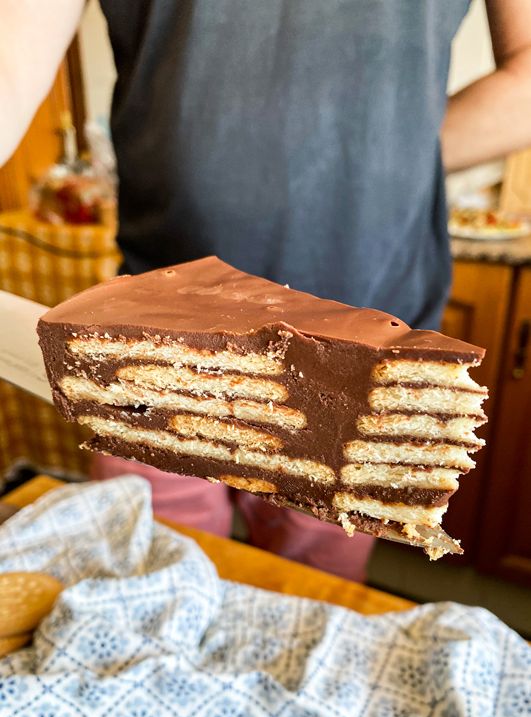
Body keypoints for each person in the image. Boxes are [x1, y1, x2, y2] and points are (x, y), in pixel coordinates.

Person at [2, 0, 531, 580]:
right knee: (154, 584)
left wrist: (397, 154)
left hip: (374, 339)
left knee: (305, 595)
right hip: (152, 341)